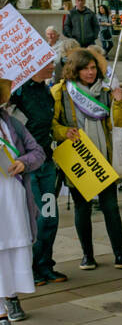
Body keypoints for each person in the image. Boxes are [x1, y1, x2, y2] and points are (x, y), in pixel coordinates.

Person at [50, 47, 122, 270]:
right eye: (85, 69)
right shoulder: (61, 92)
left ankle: (120, 255)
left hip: (103, 157)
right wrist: (63, 133)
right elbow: (52, 124)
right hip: (78, 157)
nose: (90, 73)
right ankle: (87, 256)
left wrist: (119, 102)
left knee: (111, 207)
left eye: (93, 68)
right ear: (75, 70)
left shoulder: (106, 91)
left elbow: (119, 123)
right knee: (82, 208)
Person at [10, 63, 65, 284]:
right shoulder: (18, 93)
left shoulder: (46, 90)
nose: (51, 68)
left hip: (47, 165)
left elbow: (50, 123)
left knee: (50, 216)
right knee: (36, 218)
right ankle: (30, 267)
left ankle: (45, 264)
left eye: (52, 64)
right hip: (28, 168)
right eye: (46, 65)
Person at [0, 80, 45, 325]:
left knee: (14, 250)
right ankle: (1, 314)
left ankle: (11, 295)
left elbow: (37, 152)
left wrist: (22, 162)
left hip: (14, 198)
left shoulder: (11, 122)